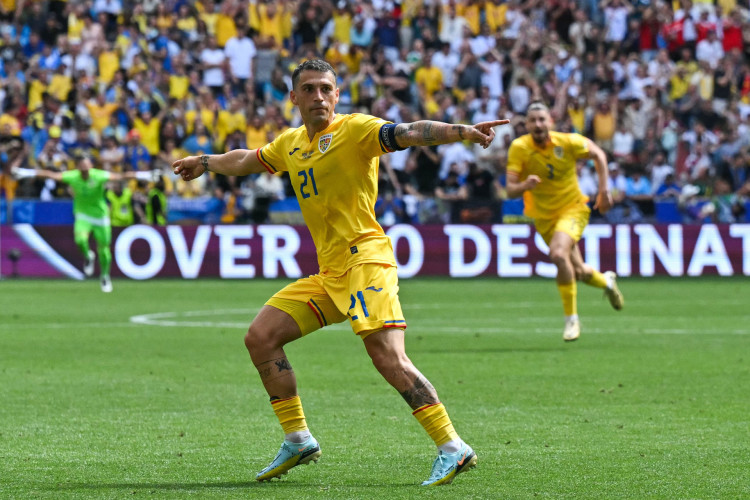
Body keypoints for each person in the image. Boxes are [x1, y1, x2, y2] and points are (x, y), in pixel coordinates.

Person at [173, 59, 507, 486]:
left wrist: (460, 131)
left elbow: (407, 132)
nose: (319, 97)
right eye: (309, 89)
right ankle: (297, 438)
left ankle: (452, 446)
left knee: (388, 355)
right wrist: (206, 161)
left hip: (366, 258)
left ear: (336, 93)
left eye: (326, 88)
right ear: (293, 98)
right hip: (331, 272)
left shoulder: (356, 129)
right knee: (261, 337)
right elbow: (248, 160)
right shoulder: (290, 144)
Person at [505, 101, 624, 342]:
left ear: (550, 121)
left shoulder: (568, 141)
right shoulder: (519, 148)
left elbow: (599, 154)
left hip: (573, 209)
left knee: (558, 254)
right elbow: (509, 190)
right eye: (532, 120)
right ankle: (607, 282)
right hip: (544, 217)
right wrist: (524, 186)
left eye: (542, 119)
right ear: (526, 125)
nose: (538, 124)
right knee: (578, 271)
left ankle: (571, 319)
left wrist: (604, 191)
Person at [13, 156, 156, 292]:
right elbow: (50, 175)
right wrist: (25, 173)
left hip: (100, 216)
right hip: (83, 215)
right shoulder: (73, 176)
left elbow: (121, 176)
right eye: (82, 168)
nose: (85, 170)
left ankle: (105, 276)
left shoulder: (98, 175)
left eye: (87, 167)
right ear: (78, 168)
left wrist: (145, 175)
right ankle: (88, 256)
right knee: (80, 240)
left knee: (104, 249)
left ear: (91, 166)